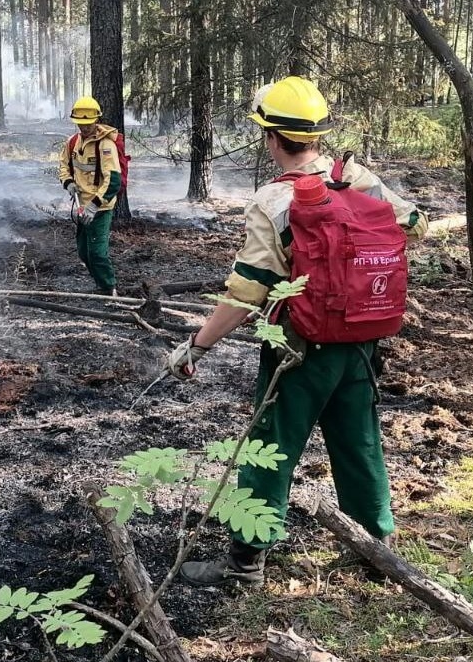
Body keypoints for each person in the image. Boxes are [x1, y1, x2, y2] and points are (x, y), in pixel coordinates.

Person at [165, 76, 428, 586]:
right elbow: (413, 224)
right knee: (358, 441)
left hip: (298, 347)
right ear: (317, 134)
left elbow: (248, 291)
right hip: (360, 343)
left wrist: (197, 344)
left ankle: (245, 562)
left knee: (270, 446)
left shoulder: (273, 200)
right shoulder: (355, 175)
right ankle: (375, 549)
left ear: (271, 138)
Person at [59, 96, 123, 296]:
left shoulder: (105, 146)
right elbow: (63, 166)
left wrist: (94, 206)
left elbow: (112, 181)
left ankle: (108, 287)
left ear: (96, 120)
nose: (84, 127)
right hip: (81, 205)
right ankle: (99, 283)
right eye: (81, 123)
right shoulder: (72, 142)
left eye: (88, 123)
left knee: (96, 252)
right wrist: (68, 183)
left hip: (100, 208)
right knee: (84, 252)